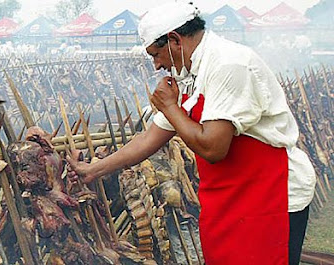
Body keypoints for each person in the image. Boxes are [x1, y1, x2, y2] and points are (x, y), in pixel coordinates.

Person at [67, 2, 316, 265]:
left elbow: (213, 148)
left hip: (269, 198)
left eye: (156, 54)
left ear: (174, 39)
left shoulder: (229, 64)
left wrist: (171, 107)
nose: (156, 65)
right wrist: (94, 170)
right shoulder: (191, 73)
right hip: (229, 199)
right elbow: (149, 137)